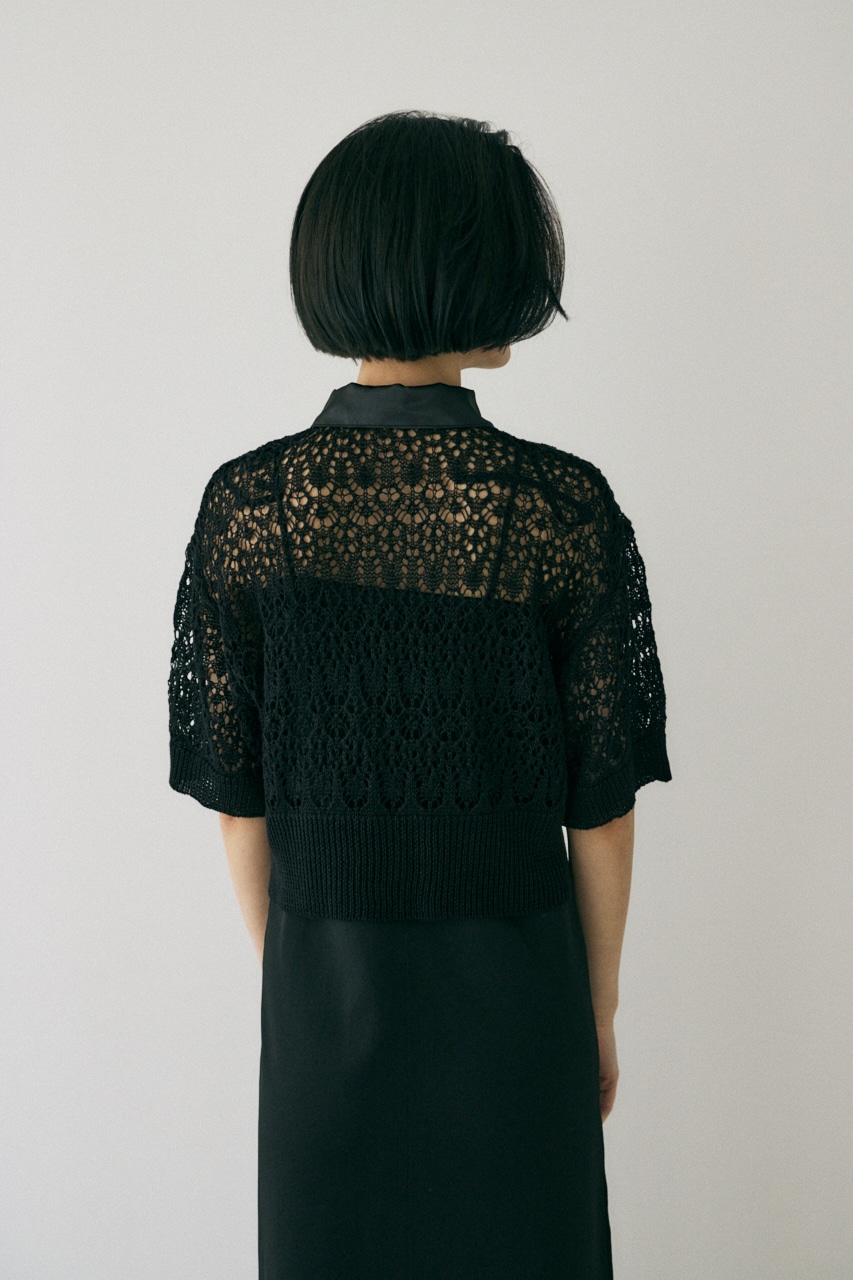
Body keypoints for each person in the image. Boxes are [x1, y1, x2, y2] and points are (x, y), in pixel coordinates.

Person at [167, 109, 672, 1280]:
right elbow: (600, 806)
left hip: (323, 1004)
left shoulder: (251, 507)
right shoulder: (559, 509)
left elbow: (238, 802)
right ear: (475, 271)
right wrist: (594, 1008)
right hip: (518, 1004)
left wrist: (299, 975)